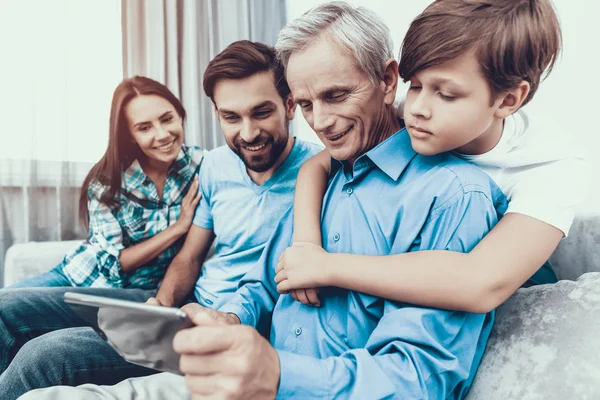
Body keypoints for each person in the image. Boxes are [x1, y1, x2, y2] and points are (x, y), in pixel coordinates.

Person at [23, 2, 508, 399]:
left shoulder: (451, 195)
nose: (322, 122)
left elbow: (421, 381)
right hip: (236, 375)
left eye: (337, 95)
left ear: (387, 80)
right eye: (309, 103)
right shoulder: (323, 180)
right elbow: (263, 283)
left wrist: (275, 374)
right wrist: (228, 317)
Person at [2, 41, 321, 400]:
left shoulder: (319, 172)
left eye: (261, 112)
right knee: (7, 309)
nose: (248, 133)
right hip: (177, 305)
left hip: (226, 325)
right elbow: (190, 256)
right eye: (231, 117)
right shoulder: (215, 165)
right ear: (216, 113)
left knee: (43, 357)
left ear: (290, 105)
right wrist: (162, 304)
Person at [276, 0, 585, 312]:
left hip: (512, 320)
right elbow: (317, 164)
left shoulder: (551, 168)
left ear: (507, 100)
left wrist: (327, 267)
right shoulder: (413, 115)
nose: (418, 108)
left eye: (446, 94)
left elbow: (482, 284)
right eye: (415, 85)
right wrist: (306, 243)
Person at [9, 75, 203, 289]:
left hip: (137, 294)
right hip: (81, 278)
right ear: (130, 135)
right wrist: (178, 228)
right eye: (144, 128)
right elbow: (112, 263)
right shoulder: (107, 183)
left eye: (167, 119)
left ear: (180, 115)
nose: (162, 135)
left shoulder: (203, 166)